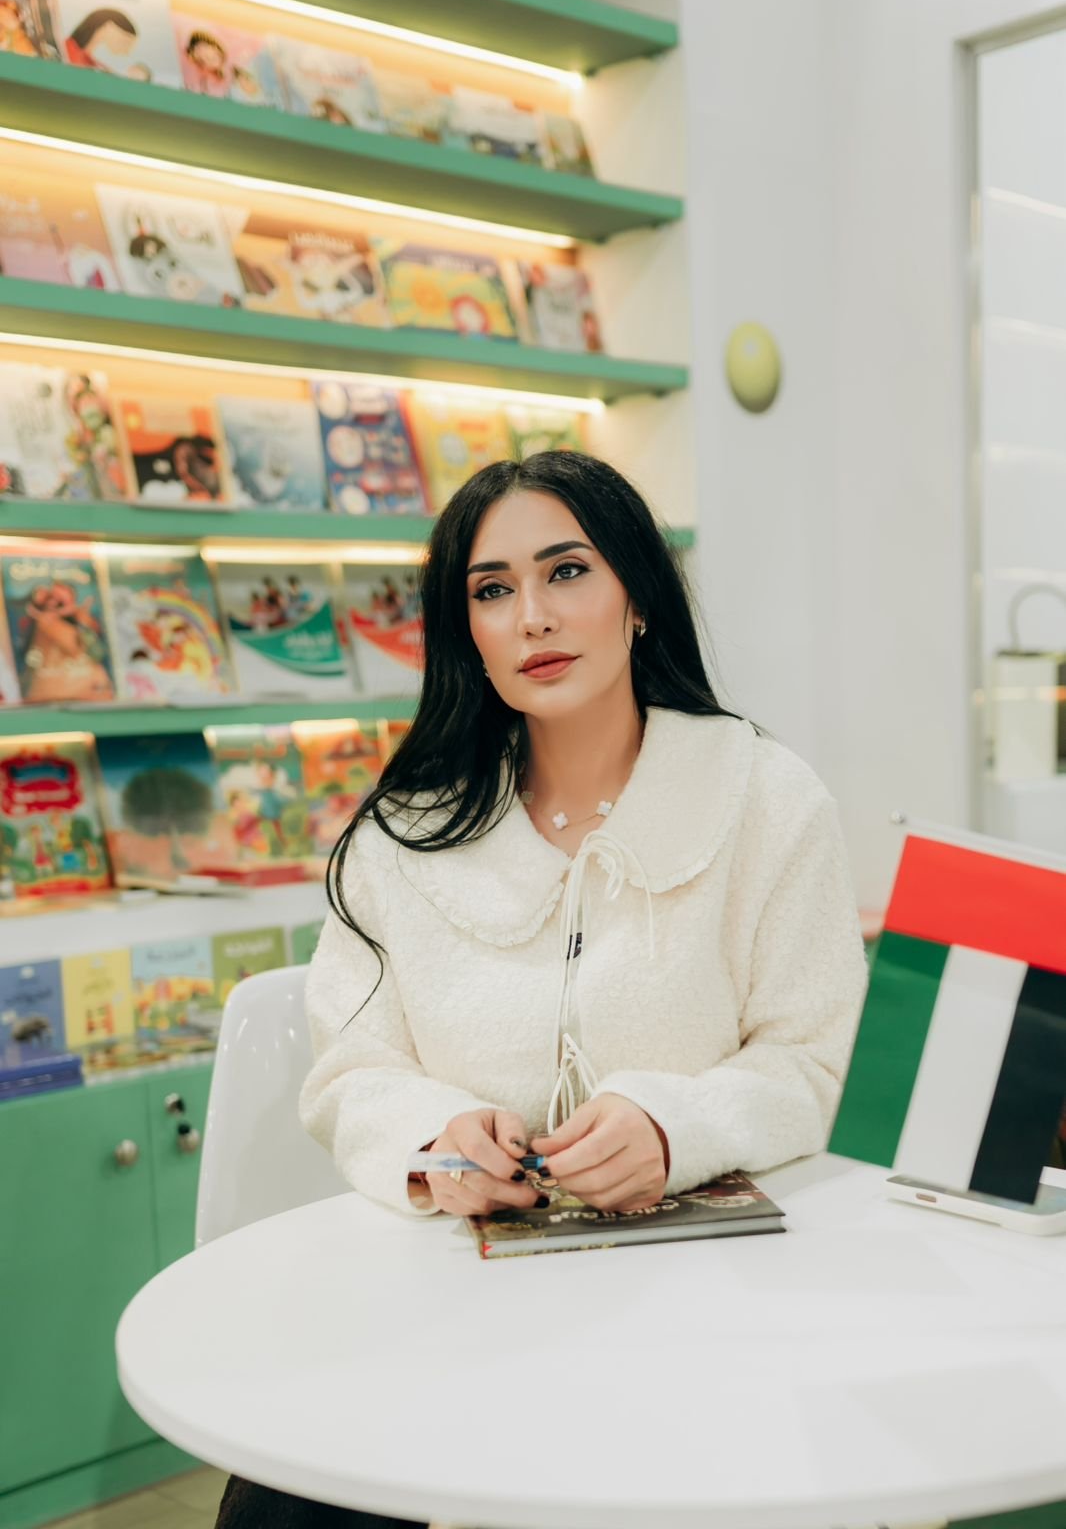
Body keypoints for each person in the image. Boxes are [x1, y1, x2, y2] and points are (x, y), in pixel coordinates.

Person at [214, 449, 867, 1527]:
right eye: (492, 589)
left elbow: (814, 1056)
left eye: (567, 571)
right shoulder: (401, 837)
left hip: (711, 1306)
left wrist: (673, 1124)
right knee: (285, 1497)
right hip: (452, 1302)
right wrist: (438, 1141)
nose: (532, 617)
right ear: (464, 629)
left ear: (637, 596)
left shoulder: (766, 799)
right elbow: (353, 1071)